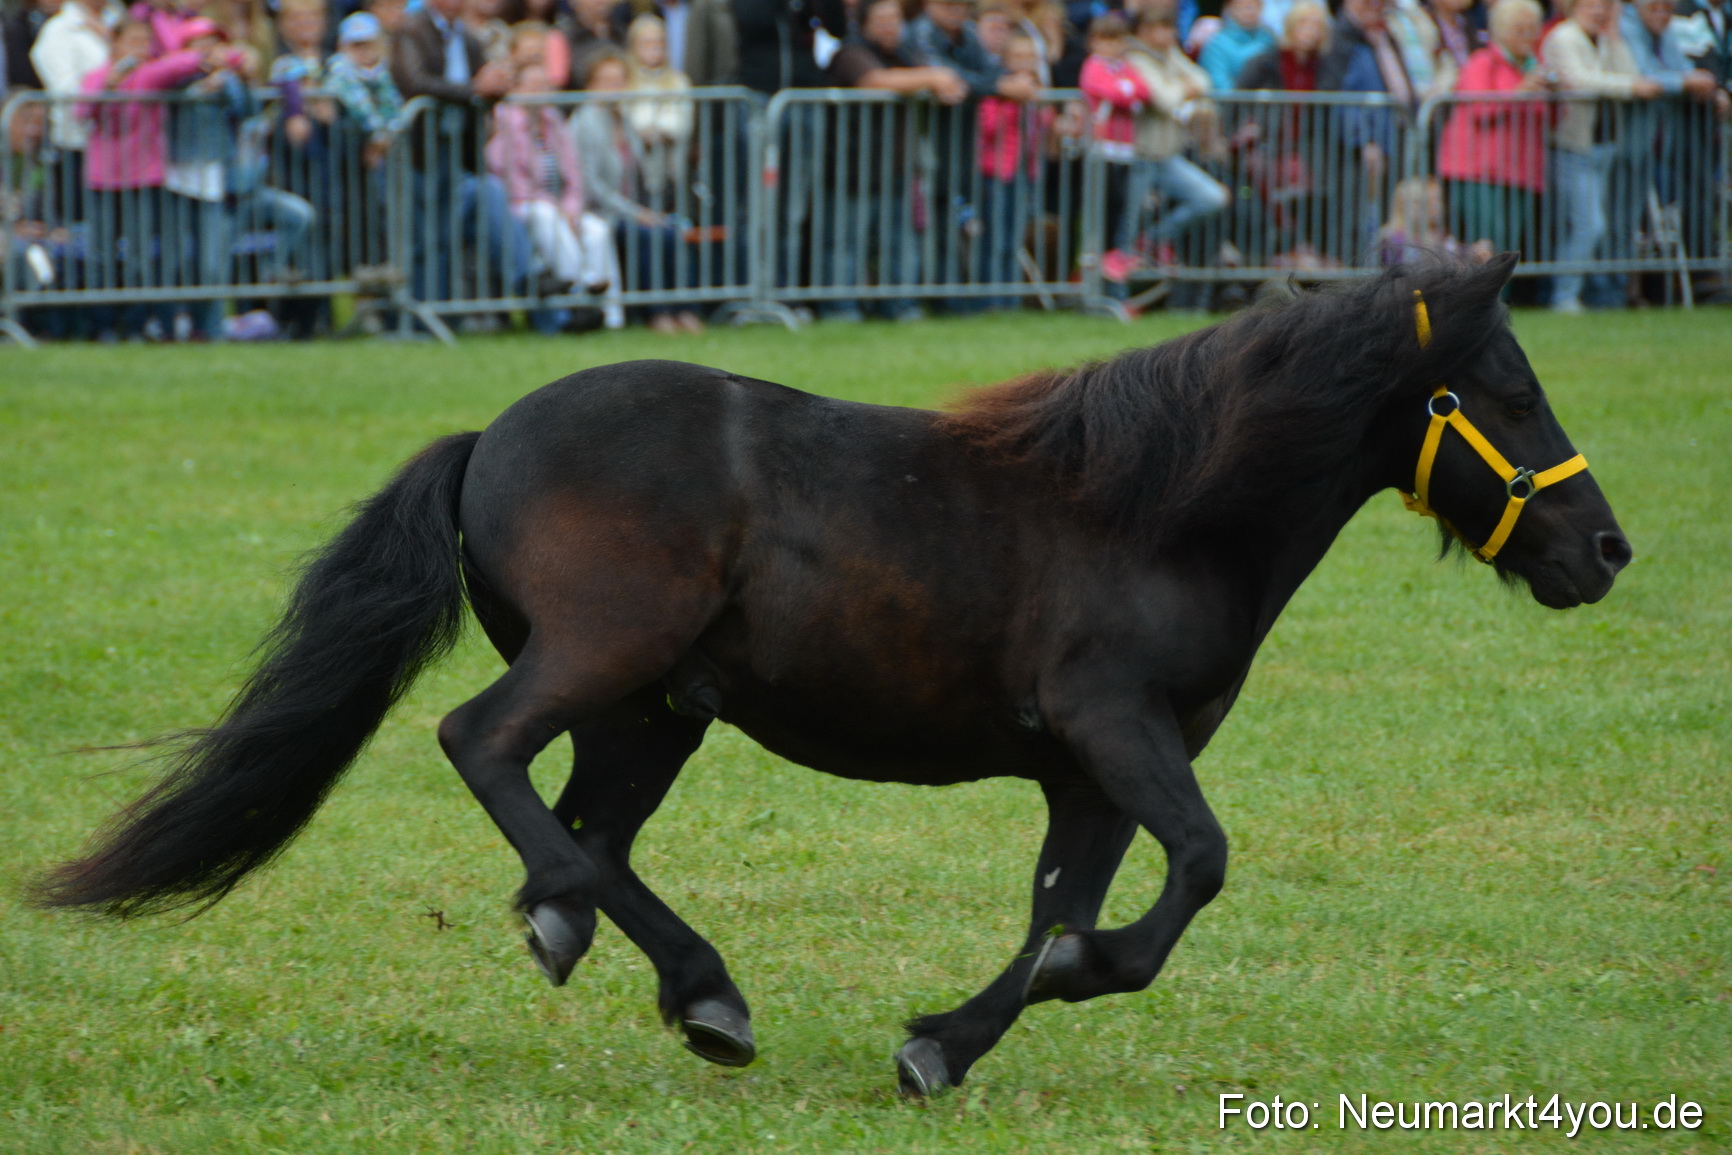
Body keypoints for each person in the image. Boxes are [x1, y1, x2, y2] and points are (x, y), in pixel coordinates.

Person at [390, 0, 543, 310]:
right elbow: (414, 83)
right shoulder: (410, 29)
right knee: (424, 241)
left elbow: (480, 95)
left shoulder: (469, 38)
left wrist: (496, 88)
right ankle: (421, 317)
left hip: (458, 152)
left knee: (447, 237)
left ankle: (449, 313)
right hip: (418, 152)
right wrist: (473, 88)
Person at [1540, 0, 1662, 311]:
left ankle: (1595, 295)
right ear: (1574, 6)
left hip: (1605, 146)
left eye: (1605, 5)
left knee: (1597, 225)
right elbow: (1580, 80)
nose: (1600, 11)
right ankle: (1564, 297)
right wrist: (1631, 86)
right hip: (1572, 147)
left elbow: (1629, 72)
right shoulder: (1563, 37)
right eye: (1592, 4)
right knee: (1589, 225)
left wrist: (1616, 39)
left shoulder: (1603, 38)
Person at [570, 49, 699, 330]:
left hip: (632, 209)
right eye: (607, 81)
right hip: (601, 212)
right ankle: (657, 312)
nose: (615, 89)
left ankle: (685, 308)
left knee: (671, 233)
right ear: (590, 85)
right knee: (646, 236)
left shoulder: (623, 120)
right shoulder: (585, 121)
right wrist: (636, 213)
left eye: (619, 81)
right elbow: (592, 185)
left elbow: (643, 174)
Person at [486, 59, 617, 307]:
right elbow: (508, 176)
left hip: (557, 205)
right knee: (546, 216)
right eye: (533, 86)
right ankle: (580, 287)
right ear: (517, 90)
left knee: (597, 230)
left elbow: (573, 173)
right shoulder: (504, 119)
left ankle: (610, 313)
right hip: (521, 205)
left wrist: (571, 207)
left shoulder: (553, 120)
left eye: (545, 86)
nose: (541, 93)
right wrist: (556, 207)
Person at [1435, 0, 1551, 262]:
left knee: (1510, 247)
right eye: (1519, 30)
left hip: (1521, 172)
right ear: (1501, 31)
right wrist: (1519, 92)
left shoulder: (1535, 66)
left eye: (1532, 29)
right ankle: (1486, 302)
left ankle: (1500, 301)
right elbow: (1479, 109)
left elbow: (1549, 120)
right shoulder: (1482, 62)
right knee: (1490, 245)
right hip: (1480, 173)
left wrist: (1558, 95)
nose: (1528, 37)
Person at [1124, 8, 1227, 267]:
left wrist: (1180, 88)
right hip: (1138, 156)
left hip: (1166, 155)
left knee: (1212, 198)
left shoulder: (1169, 53)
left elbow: (1203, 81)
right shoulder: (1134, 59)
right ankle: (1117, 292)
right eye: (1164, 28)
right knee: (1125, 226)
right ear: (1145, 31)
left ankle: (1153, 239)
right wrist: (1183, 88)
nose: (1172, 34)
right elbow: (1164, 100)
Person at [1235, 0, 1329, 265]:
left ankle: (1299, 249)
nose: (1310, 31)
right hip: (1266, 146)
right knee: (1263, 199)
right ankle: (1267, 257)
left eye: (1316, 26)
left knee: (1310, 192)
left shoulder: (1321, 66)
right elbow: (1238, 99)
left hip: (1303, 146)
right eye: (1305, 24)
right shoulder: (1266, 61)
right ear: (1290, 27)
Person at [975, 31, 1049, 305]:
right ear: (1005, 60)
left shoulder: (1037, 90)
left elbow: (1044, 129)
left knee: (1014, 240)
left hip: (1023, 173)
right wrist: (1011, 100)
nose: (1024, 62)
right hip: (995, 173)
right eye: (1018, 56)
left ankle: (1010, 300)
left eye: (1030, 57)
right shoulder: (996, 90)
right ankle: (990, 300)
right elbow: (988, 128)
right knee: (995, 240)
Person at [1081, 13, 1149, 280]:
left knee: (1122, 204)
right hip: (1102, 146)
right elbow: (1110, 92)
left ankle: (1114, 257)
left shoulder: (1124, 66)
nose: (1111, 47)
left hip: (1125, 148)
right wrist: (1126, 91)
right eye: (1105, 40)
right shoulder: (1093, 65)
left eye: (1116, 41)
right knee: (1103, 206)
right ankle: (1097, 260)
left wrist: (1126, 89)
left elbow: (1143, 91)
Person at [622, 12, 690, 203]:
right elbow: (628, 118)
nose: (655, 47)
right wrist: (644, 130)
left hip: (671, 170)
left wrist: (661, 131)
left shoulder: (678, 81)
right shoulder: (626, 81)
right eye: (647, 42)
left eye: (660, 42)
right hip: (635, 167)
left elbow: (682, 121)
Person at [1200, 0, 1275, 91]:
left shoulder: (1269, 39)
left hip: (1265, 102)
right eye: (1242, 6)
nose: (1249, 10)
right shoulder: (1217, 43)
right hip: (1231, 102)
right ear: (1230, 9)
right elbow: (1218, 82)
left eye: (1253, 5)